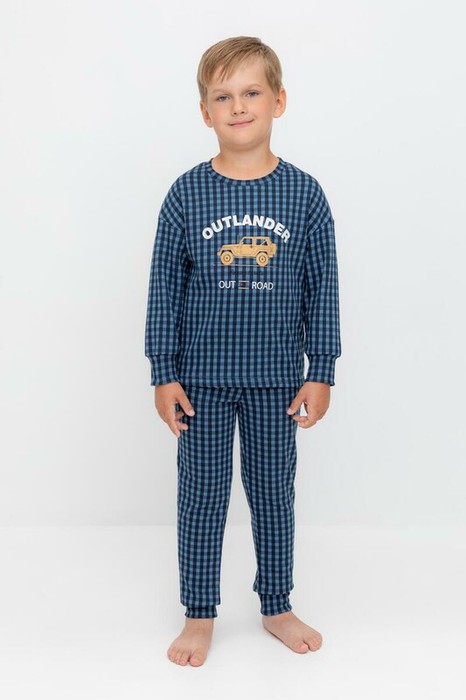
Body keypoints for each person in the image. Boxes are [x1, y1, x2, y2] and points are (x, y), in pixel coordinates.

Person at [144, 35, 342, 667]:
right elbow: (164, 289)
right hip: (199, 383)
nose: (238, 106)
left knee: (272, 498)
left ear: (278, 101)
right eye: (222, 96)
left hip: (277, 382)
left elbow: (323, 288)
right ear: (205, 112)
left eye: (251, 92)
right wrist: (163, 372)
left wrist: (322, 369)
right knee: (201, 500)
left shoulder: (305, 195)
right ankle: (199, 613)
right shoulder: (186, 194)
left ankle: (276, 605)